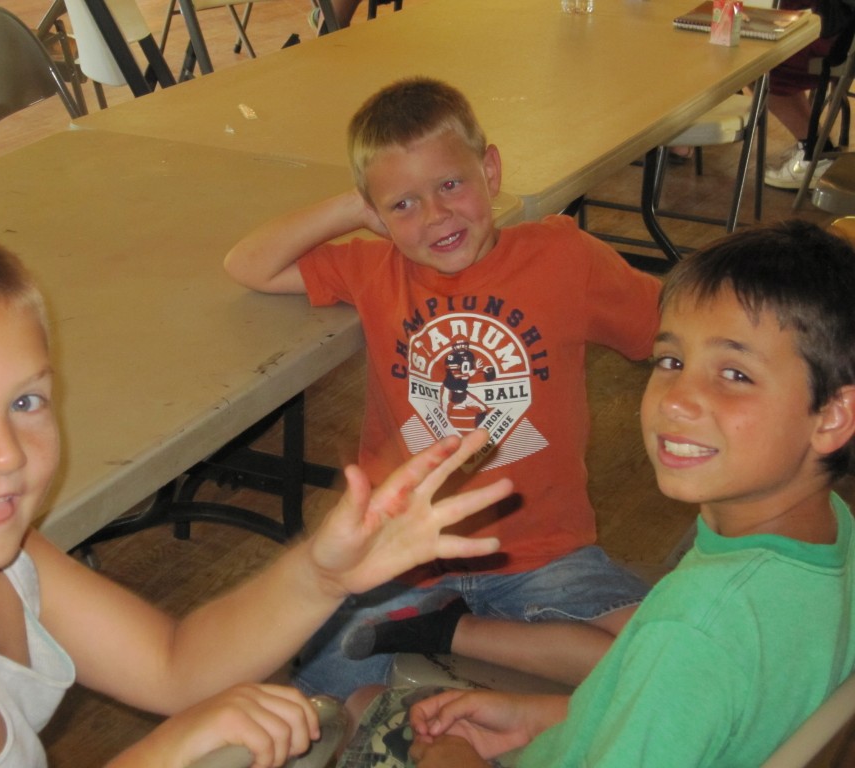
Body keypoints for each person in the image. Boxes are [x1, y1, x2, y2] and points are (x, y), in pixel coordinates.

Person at [0, 218, 516, 768]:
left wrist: (322, 576)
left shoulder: (2, 558)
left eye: (26, 401)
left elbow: (174, 666)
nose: (4, 453)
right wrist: (161, 754)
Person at [335, 220, 855, 767]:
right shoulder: (831, 534)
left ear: (833, 416)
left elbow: (682, 682)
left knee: (356, 709)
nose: (676, 399)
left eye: (735, 374)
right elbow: (683, 717)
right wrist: (536, 717)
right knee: (373, 704)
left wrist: (453, 760)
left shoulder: (692, 632)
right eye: (671, 361)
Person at [223, 77, 662, 699]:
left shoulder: (565, 258)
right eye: (402, 204)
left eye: (450, 184)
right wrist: (356, 208)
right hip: (401, 554)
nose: (435, 216)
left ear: (491, 171)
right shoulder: (373, 268)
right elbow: (248, 264)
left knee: (662, 662)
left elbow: (668, 330)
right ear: (377, 214)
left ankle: (453, 633)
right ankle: (409, 683)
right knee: (328, 697)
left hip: (540, 551)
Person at [764, 0, 855, 190]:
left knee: (756, 58)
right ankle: (816, 145)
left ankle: (814, 152)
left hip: (839, 35)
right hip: (840, 26)